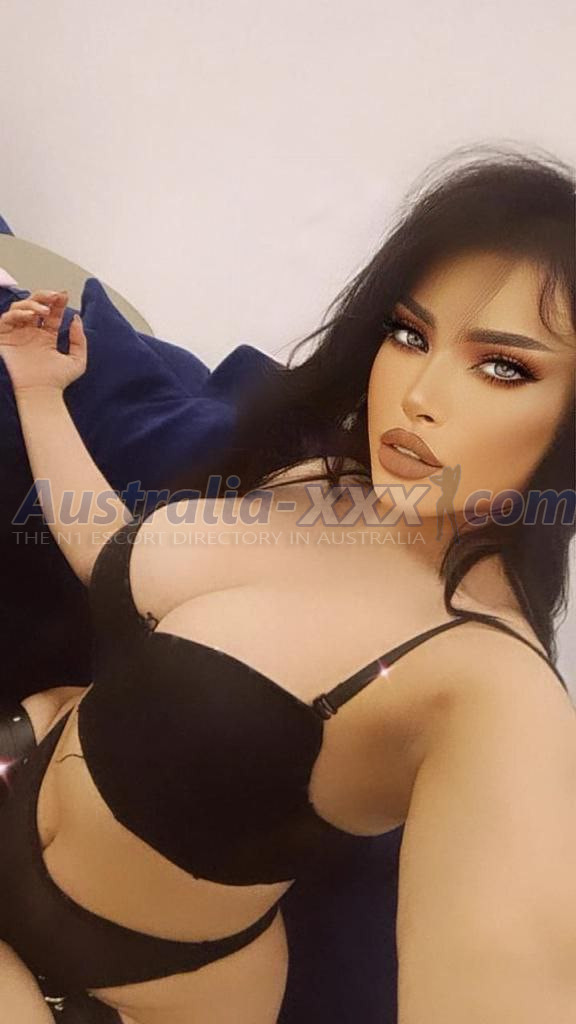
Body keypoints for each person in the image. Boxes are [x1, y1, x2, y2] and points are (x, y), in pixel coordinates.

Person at [0, 146, 575, 1024]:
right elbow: (114, 554)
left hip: (115, 986)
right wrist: (40, 390)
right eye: (410, 334)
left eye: (503, 367)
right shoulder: (327, 481)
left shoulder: (494, 692)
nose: (418, 394)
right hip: (24, 756)